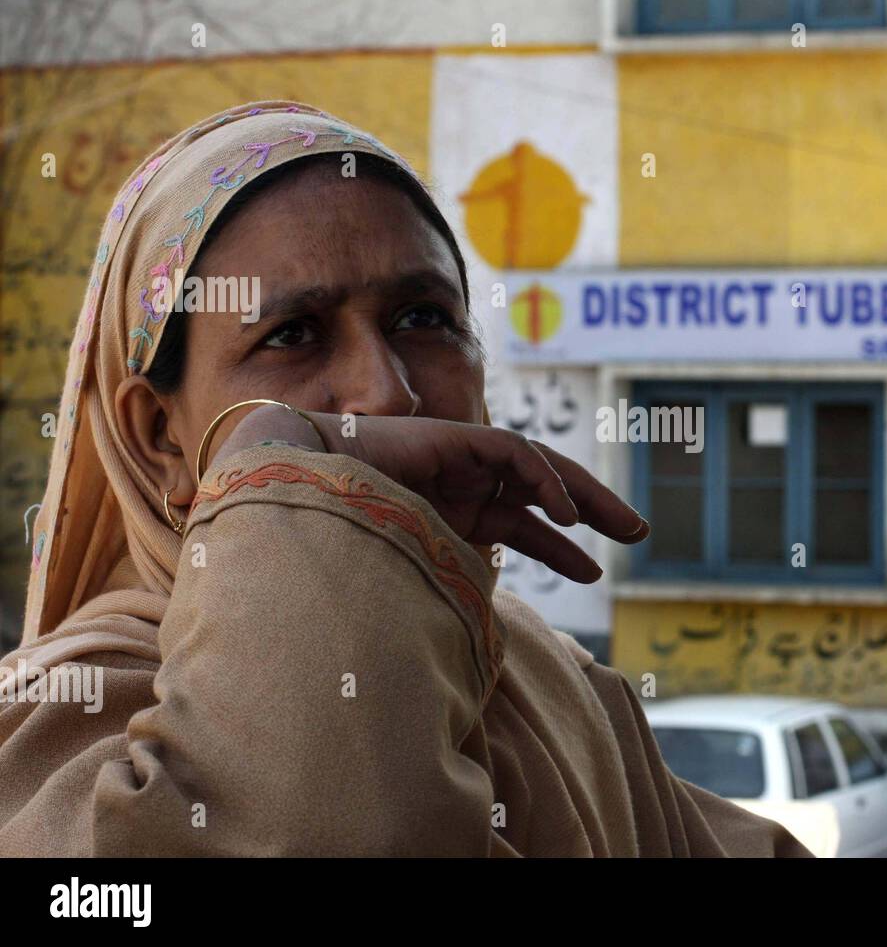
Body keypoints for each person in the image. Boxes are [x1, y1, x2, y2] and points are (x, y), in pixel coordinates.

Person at [0, 101, 813, 857]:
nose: (387, 391)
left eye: (423, 319)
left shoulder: (550, 678)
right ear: (157, 440)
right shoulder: (66, 715)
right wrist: (285, 465)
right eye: (293, 335)